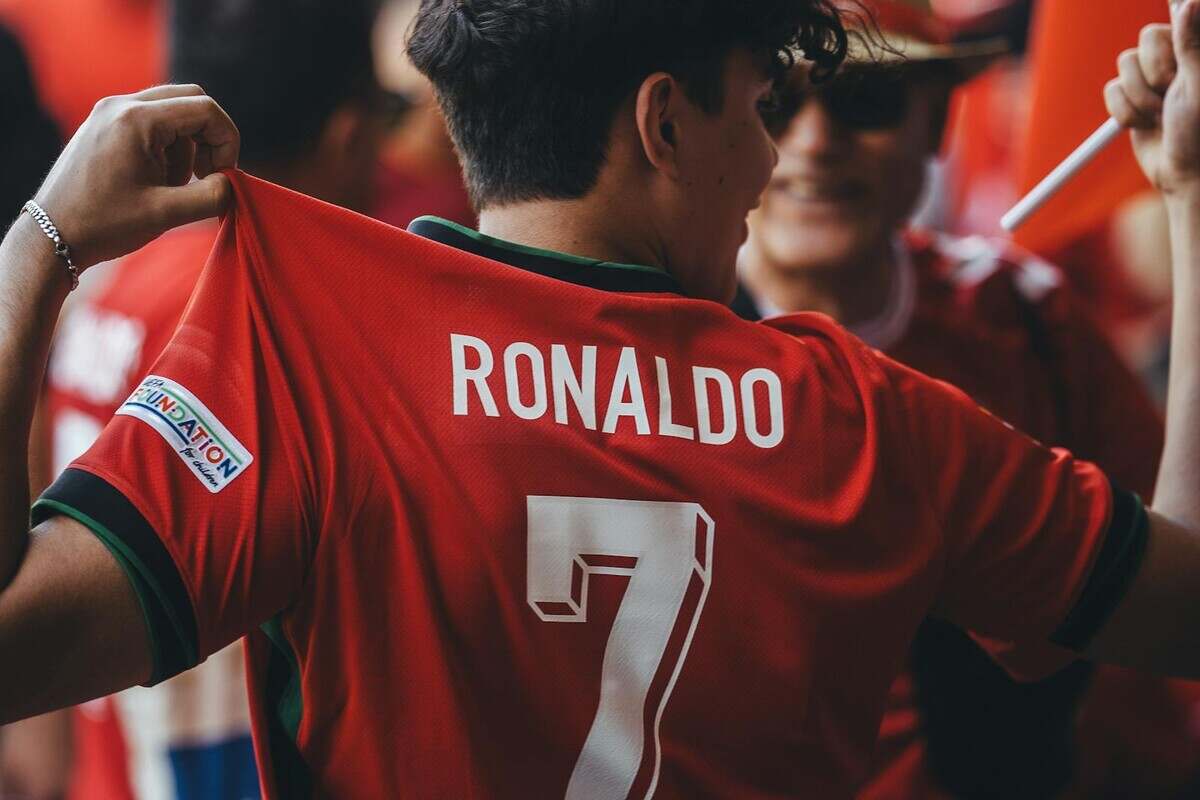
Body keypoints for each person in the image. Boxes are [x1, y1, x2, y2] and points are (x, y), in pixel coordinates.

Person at [1, 1, 1200, 797]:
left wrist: (38, 248)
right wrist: (1190, 197)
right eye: (763, 107)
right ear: (666, 122)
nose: (778, 159)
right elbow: (1182, 603)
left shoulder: (308, 354)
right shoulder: (867, 420)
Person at [737, 1, 1194, 796]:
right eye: (774, 102)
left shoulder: (1030, 322)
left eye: (864, 100)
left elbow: (1176, 594)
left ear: (940, 121)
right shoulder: (646, 355)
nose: (814, 143)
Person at [32, 0, 392, 797]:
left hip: (114, 756)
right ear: (349, 136)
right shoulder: (263, 312)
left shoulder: (111, 272)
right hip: (213, 764)